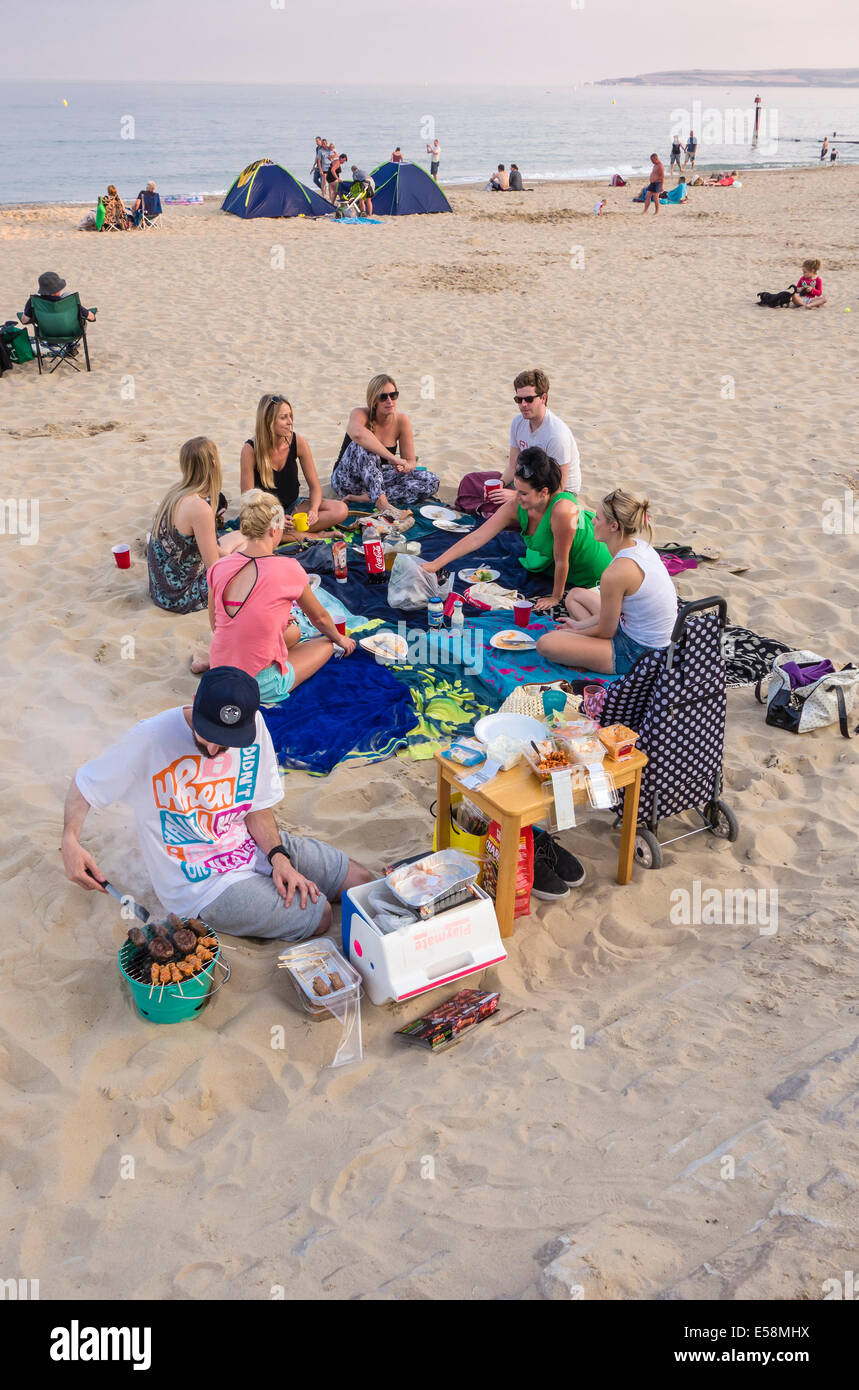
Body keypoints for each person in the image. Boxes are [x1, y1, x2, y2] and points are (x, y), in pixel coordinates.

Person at [62, 666, 373, 941]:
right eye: (207, 732)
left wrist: (280, 860)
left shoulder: (255, 728)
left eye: (225, 741)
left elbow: (256, 806)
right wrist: (70, 840)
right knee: (320, 915)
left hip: (247, 845)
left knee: (360, 883)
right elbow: (85, 784)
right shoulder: (150, 738)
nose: (212, 748)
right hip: (199, 883)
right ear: (197, 701)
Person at [203, 489, 354, 695]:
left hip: (220, 673)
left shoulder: (218, 567)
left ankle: (205, 663)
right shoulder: (288, 568)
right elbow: (320, 618)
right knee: (328, 643)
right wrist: (340, 639)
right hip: (258, 685)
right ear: (274, 530)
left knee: (292, 633)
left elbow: (217, 625)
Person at [423, 447, 610, 612]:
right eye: (516, 490)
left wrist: (555, 597)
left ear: (544, 492)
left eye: (523, 493)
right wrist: (436, 564)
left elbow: (563, 560)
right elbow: (477, 537)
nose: (516, 497)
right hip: (553, 563)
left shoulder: (563, 510)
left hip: (590, 567)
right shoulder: (516, 505)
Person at [536, 488, 677, 674]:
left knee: (546, 644)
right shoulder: (640, 547)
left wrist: (574, 633)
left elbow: (606, 631)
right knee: (575, 596)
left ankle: (590, 656)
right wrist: (581, 625)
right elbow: (615, 617)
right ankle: (589, 652)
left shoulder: (616, 573)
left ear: (614, 526)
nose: (592, 521)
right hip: (649, 635)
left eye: (598, 518)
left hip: (641, 653)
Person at [148, 437, 246, 615]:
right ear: (214, 464)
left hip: (160, 588)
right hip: (179, 596)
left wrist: (232, 555)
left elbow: (208, 548)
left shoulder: (175, 492)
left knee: (242, 536)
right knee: (247, 556)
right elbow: (214, 568)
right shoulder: (200, 509)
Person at [331, 374, 440, 514]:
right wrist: (393, 458)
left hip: (375, 480)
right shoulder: (359, 413)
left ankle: (368, 498)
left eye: (393, 395)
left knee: (431, 480)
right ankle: (382, 503)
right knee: (365, 444)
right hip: (347, 480)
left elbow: (411, 460)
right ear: (374, 400)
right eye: (383, 397)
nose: (389, 401)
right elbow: (358, 434)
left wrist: (405, 466)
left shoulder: (402, 420)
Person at [240, 394, 349, 533]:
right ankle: (301, 535)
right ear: (268, 421)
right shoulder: (250, 450)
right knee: (258, 527)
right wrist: (272, 518)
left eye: (290, 416)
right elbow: (247, 501)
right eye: (283, 417)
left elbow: (315, 488)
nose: (290, 422)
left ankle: (285, 534)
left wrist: (314, 510)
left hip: (293, 507)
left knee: (340, 509)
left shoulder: (298, 442)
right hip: (265, 513)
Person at [21, 270, 96, 325]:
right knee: (67, 296)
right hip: (70, 333)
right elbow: (92, 318)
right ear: (58, 289)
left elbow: (24, 321)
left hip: (46, 333)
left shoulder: (34, 301)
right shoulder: (69, 301)